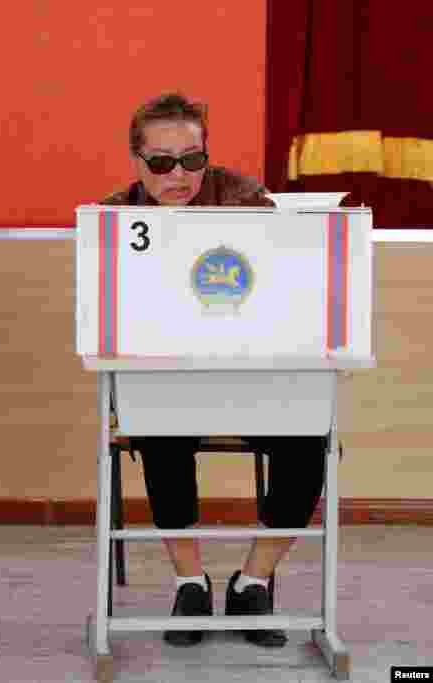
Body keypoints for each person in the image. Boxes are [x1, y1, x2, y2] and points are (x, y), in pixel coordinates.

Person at [102, 93, 328, 648]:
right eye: (161, 162)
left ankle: (253, 583)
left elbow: (293, 282)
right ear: (136, 161)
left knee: (310, 439)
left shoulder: (248, 201)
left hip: (252, 376)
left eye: (192, 160)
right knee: (159, 429)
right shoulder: (114, 218)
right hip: (167, 383)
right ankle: (190, 584)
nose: (178, 175)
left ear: (207, 155)